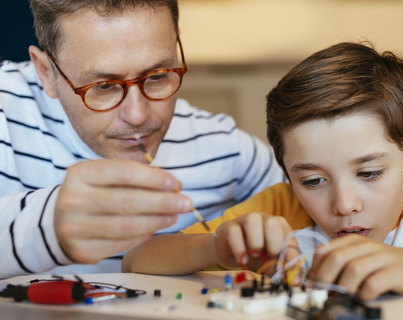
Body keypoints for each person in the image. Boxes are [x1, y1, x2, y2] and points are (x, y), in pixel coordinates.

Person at [122, 42, 403, 300]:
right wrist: (216, 247)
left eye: (369, 173)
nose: (344, 204)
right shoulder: (281, 209)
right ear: (289, 176)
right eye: (313, 181)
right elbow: (136, 260)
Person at [0, 0, 284, 279]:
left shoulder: (228, 151)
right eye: (105, 86)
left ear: (176, 48)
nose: (137, 115)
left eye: (157, 75)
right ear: (46, 73)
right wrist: (45, 227)